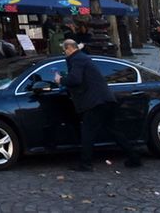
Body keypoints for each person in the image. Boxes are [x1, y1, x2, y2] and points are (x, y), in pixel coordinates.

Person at [55, 39, 142, 172]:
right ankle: (134, 157)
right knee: (114, 131)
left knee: (87, 133)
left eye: (64, 50)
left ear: (69, 49)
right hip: (106, 99)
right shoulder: (83, 58)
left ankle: (86, 163)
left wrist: (60, 80)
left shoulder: (77, 59)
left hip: (94, 102)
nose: (64, 53)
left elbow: (75, 79)